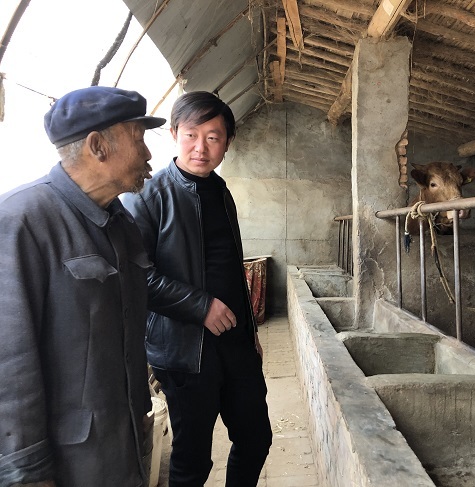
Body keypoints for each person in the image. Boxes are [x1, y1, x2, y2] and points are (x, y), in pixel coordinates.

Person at [0, 86, 166, 487]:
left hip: (122, 447)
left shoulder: (121, 223)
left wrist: (139, 417)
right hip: (69, 464)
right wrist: (26, 473)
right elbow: (10, 361)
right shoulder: (22, 220)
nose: (148, 154)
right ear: (98, 146)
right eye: (138, 138)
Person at [122, 91, 272, 487]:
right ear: (174, 134)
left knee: (256, 439)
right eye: (191, 135)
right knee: (191, 461)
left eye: (213, 137)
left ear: (227, 142)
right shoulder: (147, 196)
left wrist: (251, 334)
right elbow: (135, 276)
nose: (201, 148)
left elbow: (229, 270)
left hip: (235, 344)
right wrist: (201, 306)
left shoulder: (220, 191)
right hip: (184, 351)